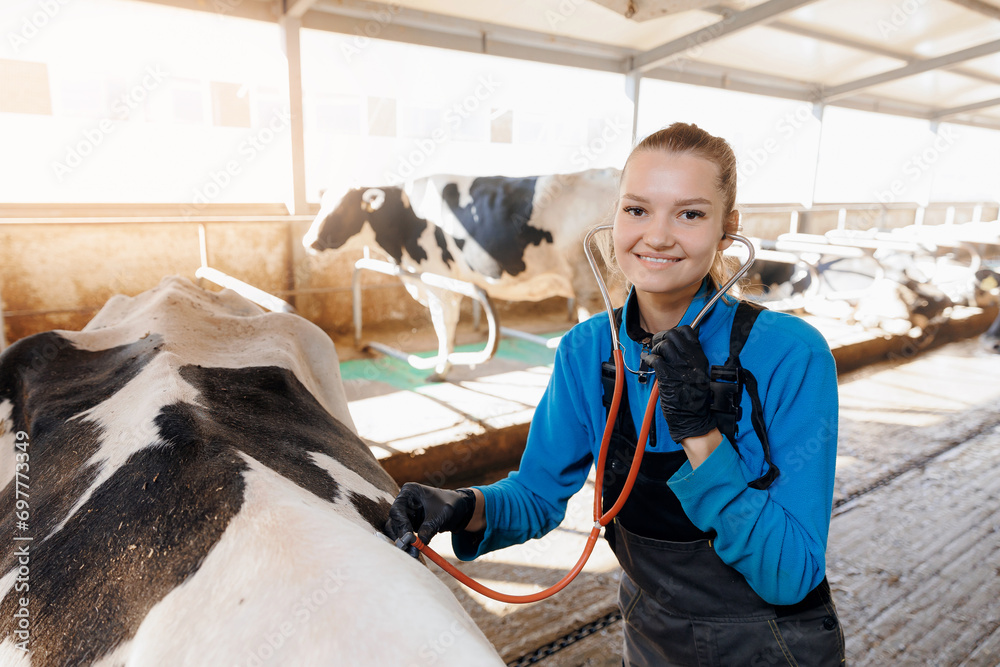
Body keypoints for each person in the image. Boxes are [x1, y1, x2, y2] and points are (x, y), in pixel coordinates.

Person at [385, 122, 845, 666]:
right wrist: (463, 506)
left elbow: (789, 575)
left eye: (690, 214)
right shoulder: (586, 351)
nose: (657, 236)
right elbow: (536, 497)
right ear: (614, 217)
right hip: (652, 639)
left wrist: (700, 435)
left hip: (772, 646)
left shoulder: (791, 355)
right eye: (637, 210)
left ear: (728, 229)